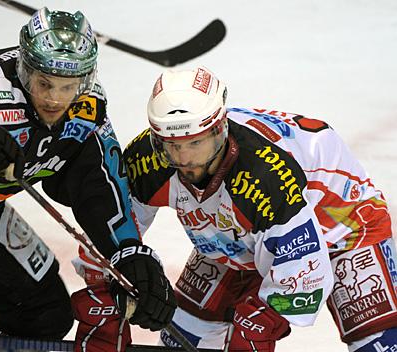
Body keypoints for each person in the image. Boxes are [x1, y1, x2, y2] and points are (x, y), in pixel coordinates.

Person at [0, 7, 175, 351]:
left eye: (68, 86)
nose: (55, 98)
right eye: (44, 83)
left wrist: (130, 253)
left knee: (45, 316)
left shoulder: (86, 108)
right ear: (25, 69)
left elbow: (100, 183)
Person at [121, 66, 397, 351]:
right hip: (238, 231)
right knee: (184, 332)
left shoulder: (264, 176)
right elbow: (115, 229)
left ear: (220, 129)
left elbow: (304, 277)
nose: (186, 159)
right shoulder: (147, 160)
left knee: (378, 341)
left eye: (196, 143)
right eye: (171, 147)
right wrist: (107, 281)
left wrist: (268, 317)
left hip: (341, 224)